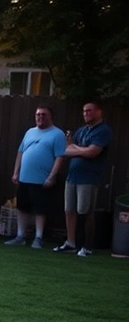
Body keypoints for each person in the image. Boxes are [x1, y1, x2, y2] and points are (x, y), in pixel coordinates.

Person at [55, 100, 112, 257]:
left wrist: (76, 148)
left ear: (99, 112)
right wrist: (80, 149)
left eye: (90, 111)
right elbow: (66, 150)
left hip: (88, 177)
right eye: (84, 111)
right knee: (69, 210)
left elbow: (93, 153)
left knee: (85, 212)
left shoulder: (103, 131)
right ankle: (71, 242)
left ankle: (87, 245)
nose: (86, 113)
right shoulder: (81, 130)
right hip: (72, 176)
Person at [5, 106, 65, 249]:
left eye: (44, 115)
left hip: (42, 180)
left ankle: (38, 238)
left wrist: (51, 177)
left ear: (51, 117)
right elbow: (20, 152)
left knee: (40, 209)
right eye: (38, 114)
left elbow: (59, 157)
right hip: (24, 178)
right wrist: (15, 172)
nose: (40, 117)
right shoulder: (30, 132)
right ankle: (20, 236)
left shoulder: (57, 134)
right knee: (22, 208)